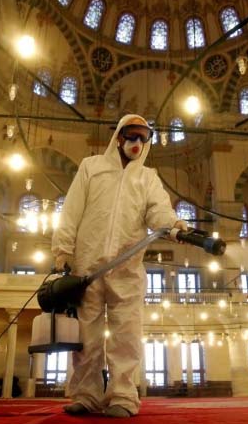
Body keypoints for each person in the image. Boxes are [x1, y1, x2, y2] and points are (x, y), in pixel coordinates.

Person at [52, 114, 187, 418]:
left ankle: (123, 398)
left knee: (126, 335)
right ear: (119, 136)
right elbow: (71, 210)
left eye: (143, 137)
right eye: (131, 135)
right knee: (87, 336)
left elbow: (158, 212)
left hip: (127, 267)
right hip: (86, 268)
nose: (136, 143)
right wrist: (63, 251)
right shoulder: (92, 167)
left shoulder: (147, 177)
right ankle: (86, 395)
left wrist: (176, 224)